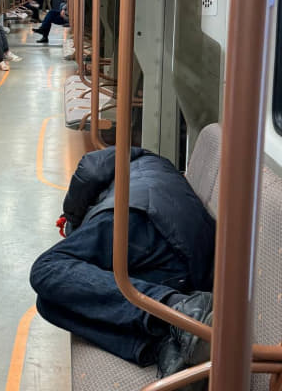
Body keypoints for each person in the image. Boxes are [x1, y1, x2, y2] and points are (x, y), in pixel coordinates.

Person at [30, 146, 216, 379]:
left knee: (46, 269)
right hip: (183, 262)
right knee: (49, 302)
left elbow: (90, 171)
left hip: (148, 219)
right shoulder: (157, 167)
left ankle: (180, 310)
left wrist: (71, 218)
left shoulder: (129, 158)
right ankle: (165, 344)